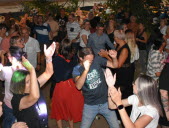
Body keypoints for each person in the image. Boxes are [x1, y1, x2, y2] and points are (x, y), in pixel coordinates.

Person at [10, 42, 56, 128]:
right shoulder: (17, 100)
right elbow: (34, 97)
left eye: (31, 80)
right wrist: (32, 70)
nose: (32, 82)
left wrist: (48, 58)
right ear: (20, 86)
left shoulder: (34, 86)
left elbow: (48, 73)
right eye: (28, 82)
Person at [72, 47, 119, 128]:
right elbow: (78, 86)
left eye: (92, 59)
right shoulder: (76, 69)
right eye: (88, 60)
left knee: (115, 126)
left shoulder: (97, 60)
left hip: (106, 102)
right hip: (90, 105)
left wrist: (114, 58)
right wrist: (86, 70)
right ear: (81, 58)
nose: (91, 62)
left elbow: (115, 65)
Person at [51, 39, 84, 128]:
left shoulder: (57, 60)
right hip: (69, 86)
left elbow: (57, 78)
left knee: (60, 109)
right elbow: (74, 72)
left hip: (63, 87)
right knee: (69, 108)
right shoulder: (70, 59)